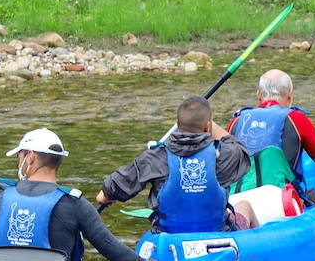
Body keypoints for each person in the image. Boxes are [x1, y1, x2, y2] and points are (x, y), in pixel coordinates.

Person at [0, 127, 172, 261]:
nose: (18, 160)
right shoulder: (74, 203)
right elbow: (115, 252)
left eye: (19, 155)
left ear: (30, 157)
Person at [96, 97, 258, 232]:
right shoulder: (223, 155)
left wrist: (106, 197)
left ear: (177, 123)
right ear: (207, 126)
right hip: (216, 234)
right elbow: (241, 149)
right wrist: (210, 124)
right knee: (245, 206)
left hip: (170, 239)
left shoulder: (155, 157)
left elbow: (110, 190)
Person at [228, 69, 315, 197]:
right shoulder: (296, 119)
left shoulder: (236, 121)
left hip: (239, 197)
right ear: (289, 94)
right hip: (280, 200)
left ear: (258, 95)